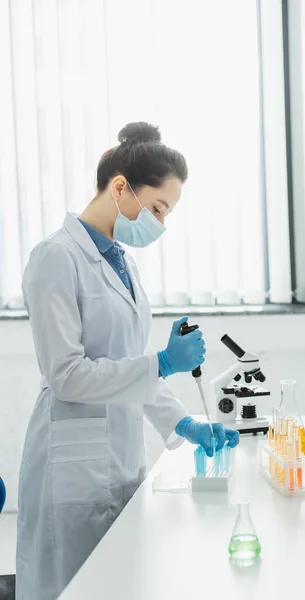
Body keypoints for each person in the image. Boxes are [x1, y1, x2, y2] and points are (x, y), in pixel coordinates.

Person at [16, 122, 240, 600]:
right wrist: (161, 361)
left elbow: (133, 369)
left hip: (119, 462)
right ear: (120, 187)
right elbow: (67, 376)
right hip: (71, 468)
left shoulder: (122, 261)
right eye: (158, 207)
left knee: (121, 585)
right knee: (73, 589)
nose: (161, 222)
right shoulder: (55, 258)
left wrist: (186, 424)